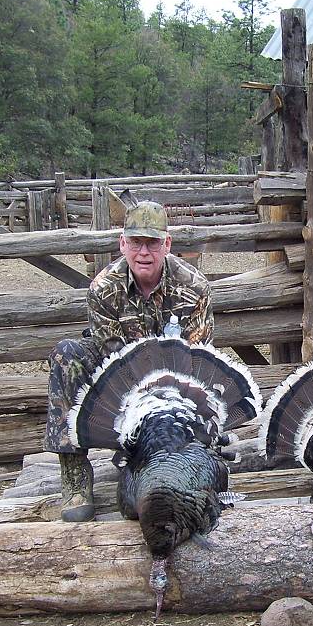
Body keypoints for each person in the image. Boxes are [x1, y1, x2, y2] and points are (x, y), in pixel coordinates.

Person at [44, 201, 214, 521]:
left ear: (167, 244)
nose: (143, 252)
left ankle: (177, 456)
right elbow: (114, 360)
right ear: (122, 244)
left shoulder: (194, 287)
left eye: (152, 243)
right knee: (68, 355)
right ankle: (75, 477)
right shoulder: (103, 289)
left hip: (174, 389)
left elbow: (197, 361)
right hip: (120, 380)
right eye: (136, 242)